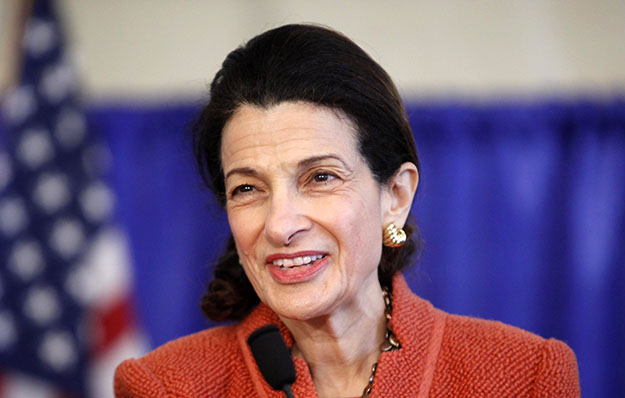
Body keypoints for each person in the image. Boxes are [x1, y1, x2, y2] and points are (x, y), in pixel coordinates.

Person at [114, 24, 580, 398]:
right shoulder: (165, 386)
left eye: (320, 178)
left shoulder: (527, 376)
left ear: (395, 196)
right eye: (248, 188)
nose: (280, 225)